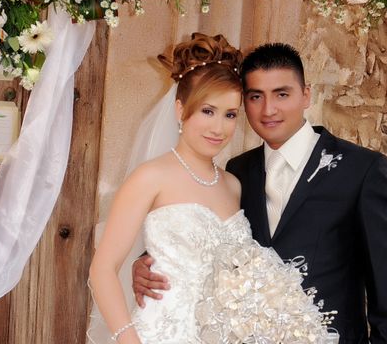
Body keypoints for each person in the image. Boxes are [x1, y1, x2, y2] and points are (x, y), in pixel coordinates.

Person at [132, 43, 387, 344]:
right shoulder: (236, 171)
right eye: (255, 97)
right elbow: (205, 234)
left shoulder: (362, 169)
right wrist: (148, 262)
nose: (268, 110)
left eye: (282, 94)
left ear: (306, 95)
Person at [89, 35, 334, 344]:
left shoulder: (233, 183)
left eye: (230, 114)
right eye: (208, 111)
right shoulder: (150, 177)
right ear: (181, 110)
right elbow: (102, 269)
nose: (219, 128)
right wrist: (129, 339)